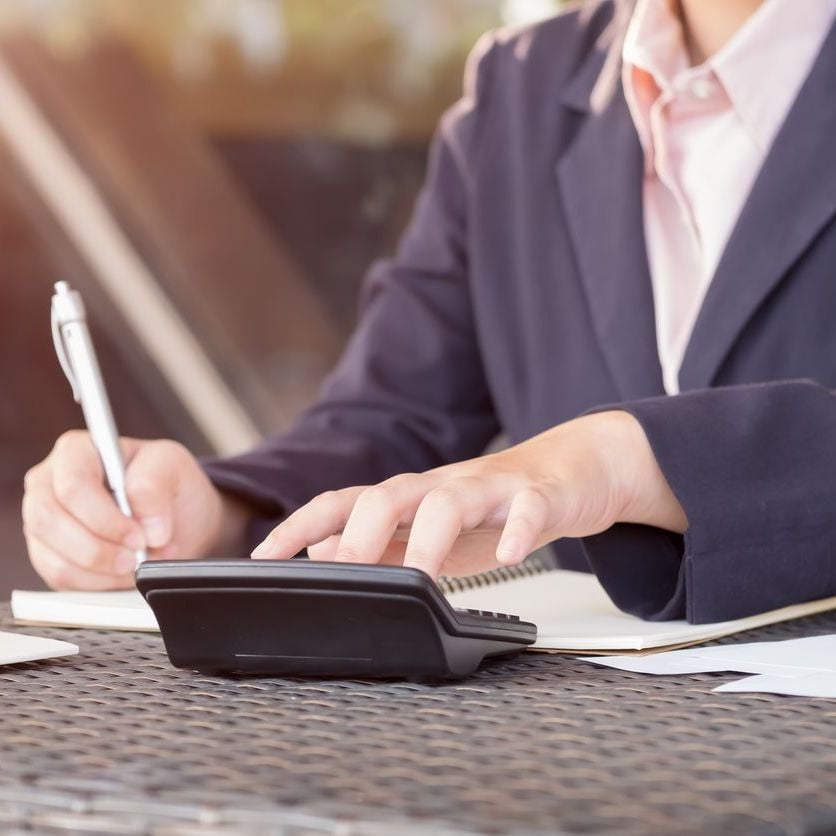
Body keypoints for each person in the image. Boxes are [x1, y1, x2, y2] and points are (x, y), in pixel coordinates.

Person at [22, 0, 836, 624]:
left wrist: (625, 459)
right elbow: (393, 420)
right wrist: (216, 512)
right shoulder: (518, 95)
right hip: (585, 752)